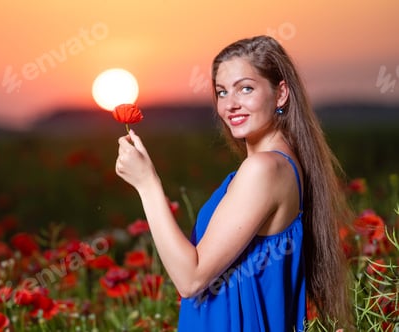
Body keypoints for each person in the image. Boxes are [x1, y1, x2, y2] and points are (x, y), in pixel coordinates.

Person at [115, 35, 351, 331]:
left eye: (246, 89)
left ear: (280, 94)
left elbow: (191, 279)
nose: (231, 105)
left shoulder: (264, 169)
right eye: (222, 92)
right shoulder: (280, 165)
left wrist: (147, 184)